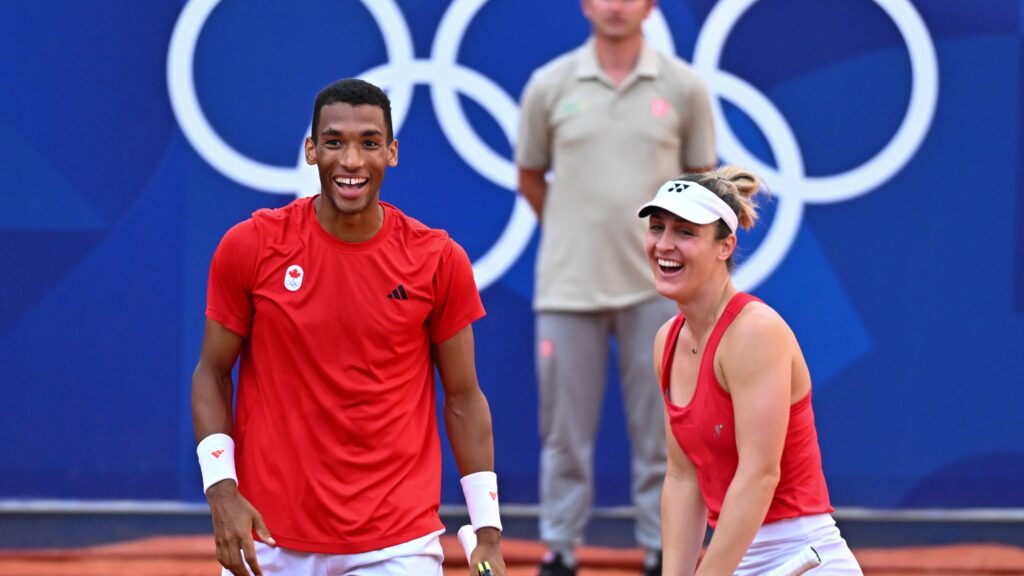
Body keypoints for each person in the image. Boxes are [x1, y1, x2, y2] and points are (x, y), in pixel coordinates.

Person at [191, 78, 506, 576]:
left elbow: (464, 398)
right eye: (335, 142)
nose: (352, 161)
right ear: (311, 150)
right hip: (268, 539)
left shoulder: (438, 260)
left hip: (396, 545)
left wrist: (486, 531)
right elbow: (211, 373)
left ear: (392, 152)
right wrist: (221, 490)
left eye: (370, 143)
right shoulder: (249, 246)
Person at [515, 1, 716, 574]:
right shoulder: (549, 85)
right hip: (567, 287)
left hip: (658, 292)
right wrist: (577, 234)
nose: (616, 5)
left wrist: (669, 254)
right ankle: (559, 548)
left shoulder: (683, 87)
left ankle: (664, 550)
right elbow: (531, 176)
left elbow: (703, 187)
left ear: (651, 4)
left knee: (665, 431)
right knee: (563, 433)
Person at [639, 167, 863, 574]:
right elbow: (684, 476)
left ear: (725, 246)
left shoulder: (754, 332)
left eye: (685, 232)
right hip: (737, 556)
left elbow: (760, 475)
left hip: (803, 555)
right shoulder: (666, 341)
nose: (664, 245)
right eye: (657, 228)